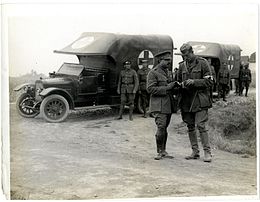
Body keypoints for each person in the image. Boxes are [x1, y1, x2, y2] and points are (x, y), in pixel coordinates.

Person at [177, 43, 213, 163]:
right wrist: (180, 85)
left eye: (187, 55)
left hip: (199, 99)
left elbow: (210, 82)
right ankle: (195, 151)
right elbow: (177, 82)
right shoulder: (182, 66)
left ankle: (207, 152)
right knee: (190, 126)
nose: (185, 58)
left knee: (201, 125)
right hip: (186, 100)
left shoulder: (202, 63)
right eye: (183, 56)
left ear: (192, 52)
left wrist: (195, 82)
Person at [147, 51, 178, 160]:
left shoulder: (168, 72)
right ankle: (159, 151)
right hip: (158, 105)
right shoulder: (153, 73)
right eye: (166, 60)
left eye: (169, 60)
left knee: (165, 128)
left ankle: (164, 150)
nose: (169, 62)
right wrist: (168, 88)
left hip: (168, 104)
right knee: (161, 127)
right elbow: (150, 89)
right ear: (160, 60)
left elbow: (170, 87)